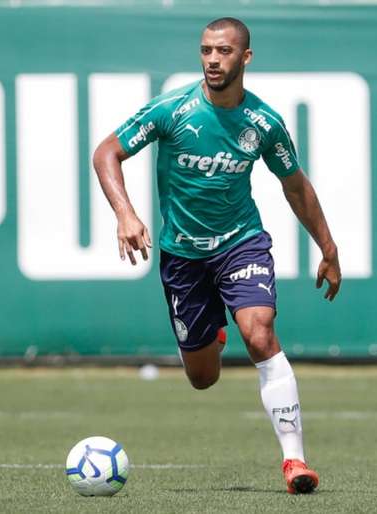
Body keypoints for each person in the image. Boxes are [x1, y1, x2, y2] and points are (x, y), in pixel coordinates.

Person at [92, 17, 341, 494]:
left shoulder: (264, 123)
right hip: (182, 257)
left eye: (223, 51)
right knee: (203, 377)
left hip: (240, 242)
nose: (211, 59)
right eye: (206, 49)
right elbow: (107, 152)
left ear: (245, 58)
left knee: (261, 333)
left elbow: (295, 186)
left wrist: (327, 248)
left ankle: (295, 462)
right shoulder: (172, 109)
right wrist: (125, 214)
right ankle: (214, 331)